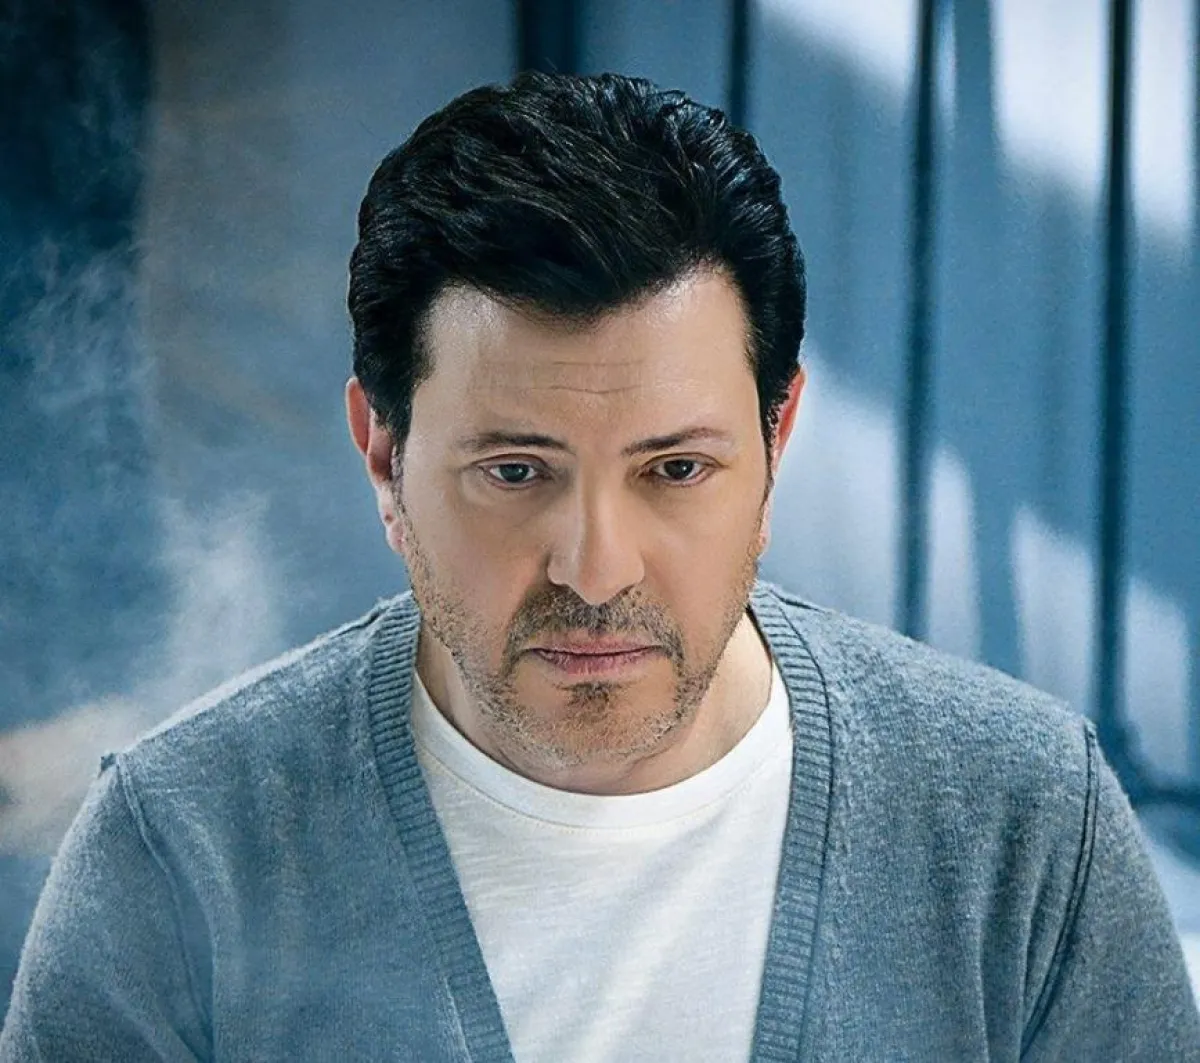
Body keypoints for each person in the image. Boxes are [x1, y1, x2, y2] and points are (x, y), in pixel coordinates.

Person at [2, 70, 1198, 1062]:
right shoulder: (184, 848)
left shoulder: (1021, 828)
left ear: (777, 439)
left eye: (675, 469)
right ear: (383, 453)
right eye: (516, 470)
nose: (594, 567)